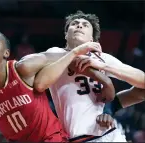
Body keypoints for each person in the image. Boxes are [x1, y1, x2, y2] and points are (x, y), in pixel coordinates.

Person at [0, 30, 104, 142]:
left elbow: (63, 56)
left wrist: (87, 58)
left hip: (51, 139)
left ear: (6, 53)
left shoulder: (24, 67)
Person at [16, 10, 127, 142]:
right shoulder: (55, 53)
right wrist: (76, 54)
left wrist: (109, 110)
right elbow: (40, 83)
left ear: (92, 39)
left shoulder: (103, 58)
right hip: (78, 136)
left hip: (110, 133)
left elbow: (140, 82)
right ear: (66, 35)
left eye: (85, 25)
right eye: (74, 24)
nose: (79, 26)